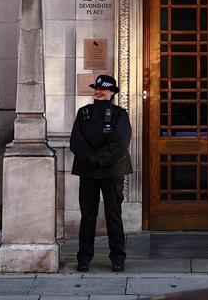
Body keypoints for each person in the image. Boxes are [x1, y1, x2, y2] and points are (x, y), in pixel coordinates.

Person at [69, 74, 132, 272]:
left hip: (112, 171)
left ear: (112, 92)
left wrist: (99, 159)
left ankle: (118, 257)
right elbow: (76, 141)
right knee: (88, 215)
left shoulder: (119, 114)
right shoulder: (83, 113)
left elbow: (120, 142)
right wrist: (90, 159)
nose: (99, 91)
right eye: (97, 88)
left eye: (103, 89)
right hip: (88, 172)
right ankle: (84, 257)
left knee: (113, 214)